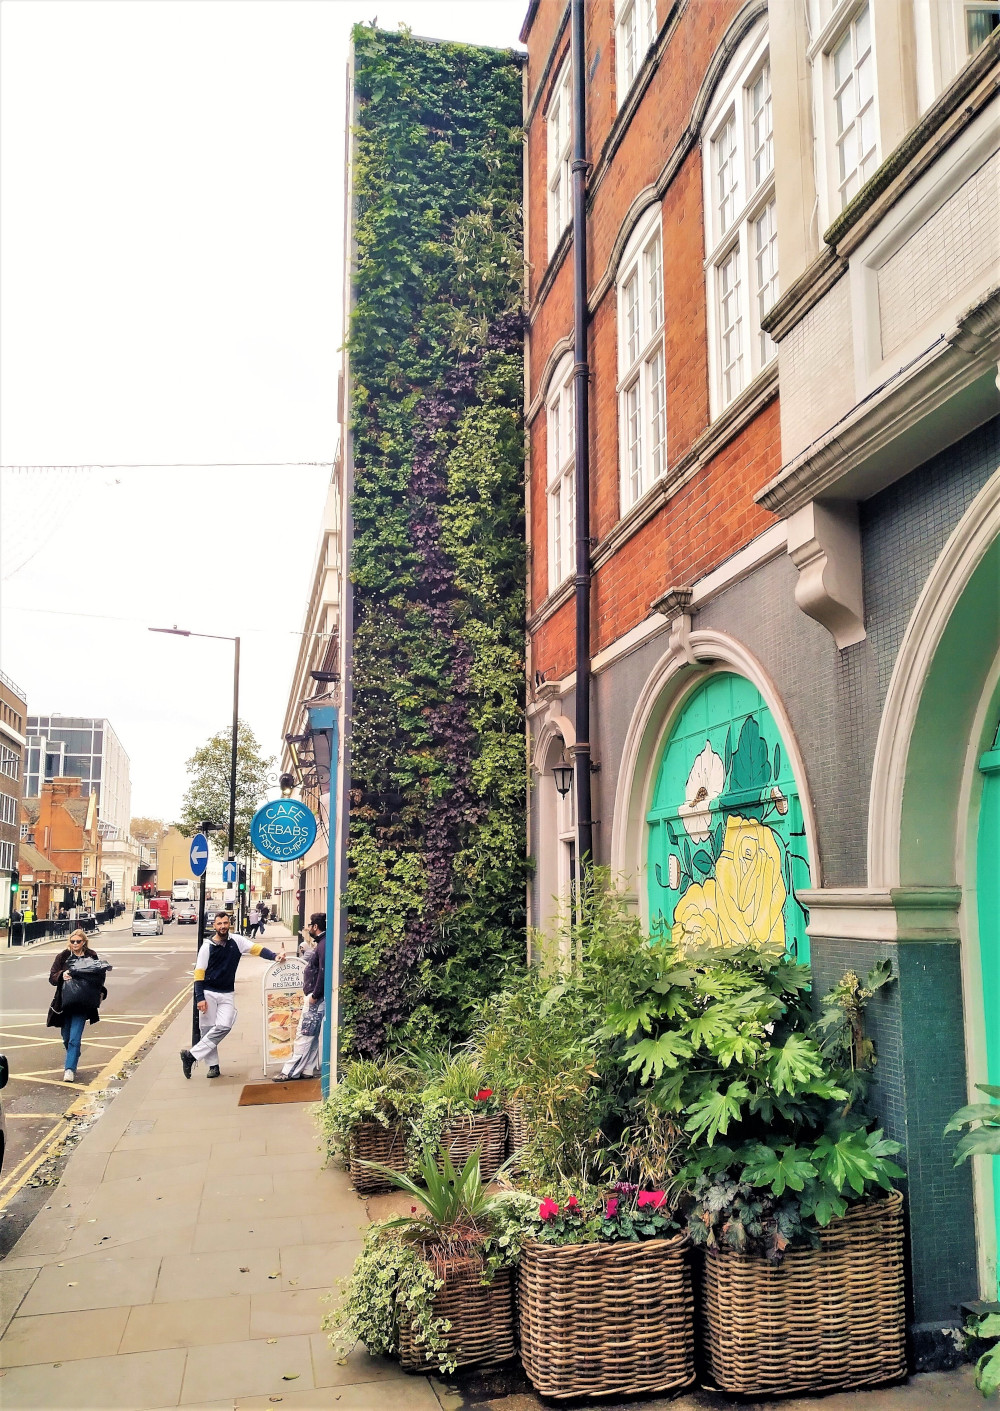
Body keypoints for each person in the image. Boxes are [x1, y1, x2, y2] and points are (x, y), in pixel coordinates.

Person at [180, 911, 285, 1079]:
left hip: (227, 993)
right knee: (208, 1031)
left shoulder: (237, 941)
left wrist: (274, 956)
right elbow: (198, 974)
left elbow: (256, 949)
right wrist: (200, 998)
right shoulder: (207, 946)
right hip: (208, 993)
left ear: (230, 924)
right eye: (219, 924)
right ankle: (213, 1067)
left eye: (225, 923)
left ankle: (191, 1056)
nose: (222, 926)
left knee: (224, 1025)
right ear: (214, 926)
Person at [47, 929, 111, 1082]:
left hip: (82, 1003)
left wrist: (99, 991)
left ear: (84, 942)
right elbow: (52, 977)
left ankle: (69, 1070)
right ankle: (74, 1053)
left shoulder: (91, 956)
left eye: (78, 941)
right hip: (64, 1003)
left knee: (74, 1039)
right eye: (72, 941)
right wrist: (62, 975)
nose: (75, 944)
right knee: (66, 1037)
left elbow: (99, 978)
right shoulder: (62, 957)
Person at [273, 912, 325, 1083]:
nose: (309, 928)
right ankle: (308, 1069)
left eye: (310, 925)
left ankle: (290, 1071)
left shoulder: (323, 945)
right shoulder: (323, 943)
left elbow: (323, 973)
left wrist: (314, 996)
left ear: (315, 927)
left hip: (316, 999)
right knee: (312, 1035)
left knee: (305, 1034)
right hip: (317, 998)